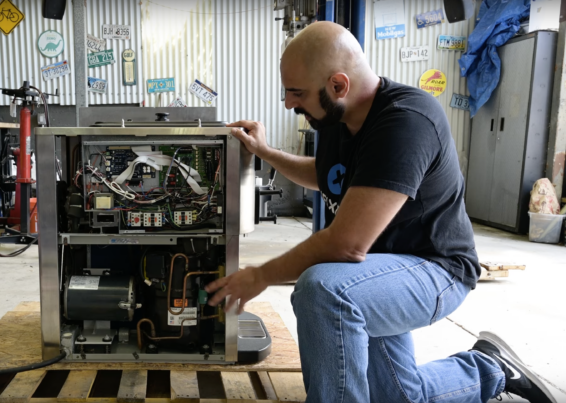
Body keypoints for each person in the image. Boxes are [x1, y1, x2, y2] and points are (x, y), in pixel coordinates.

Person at [205, 21, 555, 403]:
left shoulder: (406, 120)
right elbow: (328, 177)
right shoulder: (339, 120)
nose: (289, 103)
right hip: (377, 272)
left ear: (339, 85)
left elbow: (347, 244)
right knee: (398, 397)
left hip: (436, 269)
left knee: (323, 290)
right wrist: (266, 152)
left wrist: (260, 275)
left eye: (297, 92)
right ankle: (491, 369)